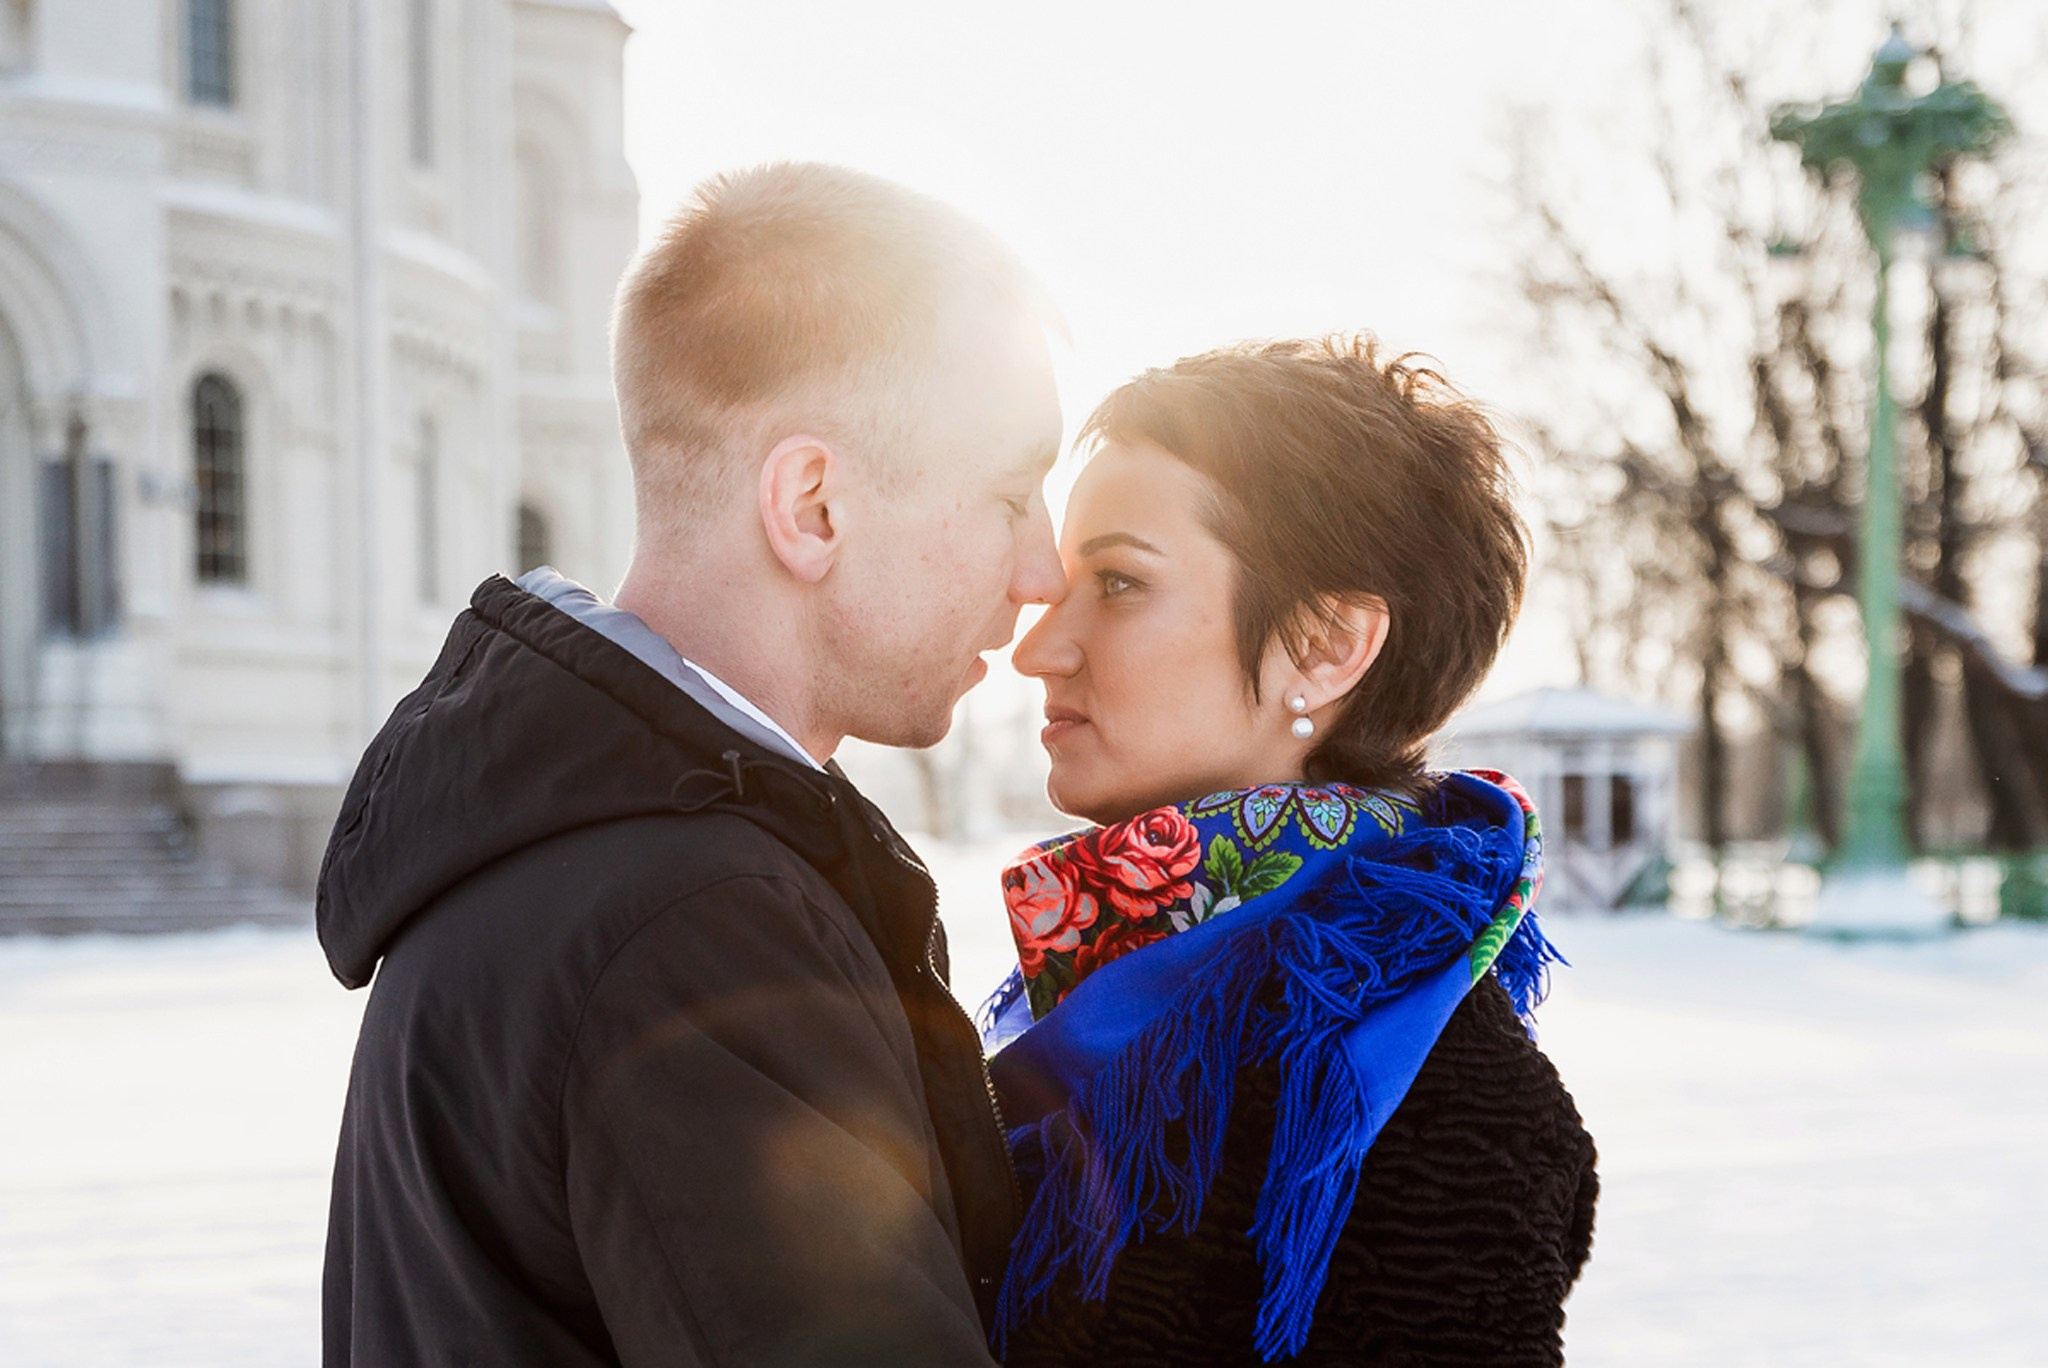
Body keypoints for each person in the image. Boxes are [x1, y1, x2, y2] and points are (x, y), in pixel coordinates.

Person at [316, 163, 1067, 1367]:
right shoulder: (696, 926)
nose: (1045, 571)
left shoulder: (554, 843)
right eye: (1011, 494)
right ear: (812, 506)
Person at [985, 336, 1598, 1366]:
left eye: (1120, 583)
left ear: (1323, 646)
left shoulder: (1423, 1100)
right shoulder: (1112, 991)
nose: (1036, 646)